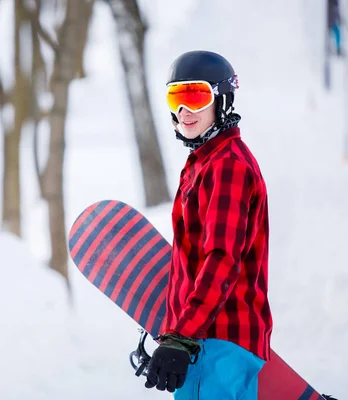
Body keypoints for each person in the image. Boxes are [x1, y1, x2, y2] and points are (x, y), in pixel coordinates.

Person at [143, 50, 273, 399]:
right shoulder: (204, 162)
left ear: (222, 100)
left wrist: (181, 336)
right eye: (176, 97)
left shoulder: (227, 165)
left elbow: (221, 259)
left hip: (214, 342)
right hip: (205, 341)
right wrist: (172, 332)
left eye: (196, 96)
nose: (184, 110)